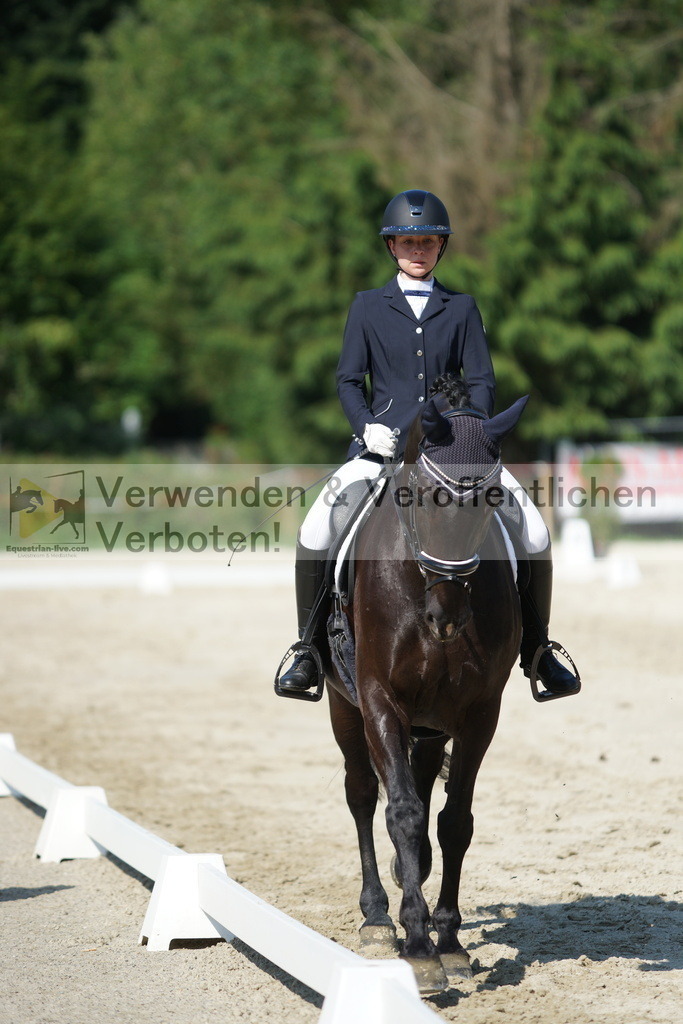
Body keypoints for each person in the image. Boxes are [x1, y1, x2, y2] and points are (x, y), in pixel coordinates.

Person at [277, 189, 579, 698]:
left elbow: (481, 381)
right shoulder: (368, 307)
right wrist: (367, 424)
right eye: (408, 241)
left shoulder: (461, 308)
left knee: (532, 529)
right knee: (317, 524)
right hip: (380, 450)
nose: (418, 249)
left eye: (428, 241)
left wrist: (470, 431)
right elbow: (349, 380)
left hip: (454, 454)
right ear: (391, 246)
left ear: (442, 248)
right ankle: (308, 650)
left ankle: (538, 649)